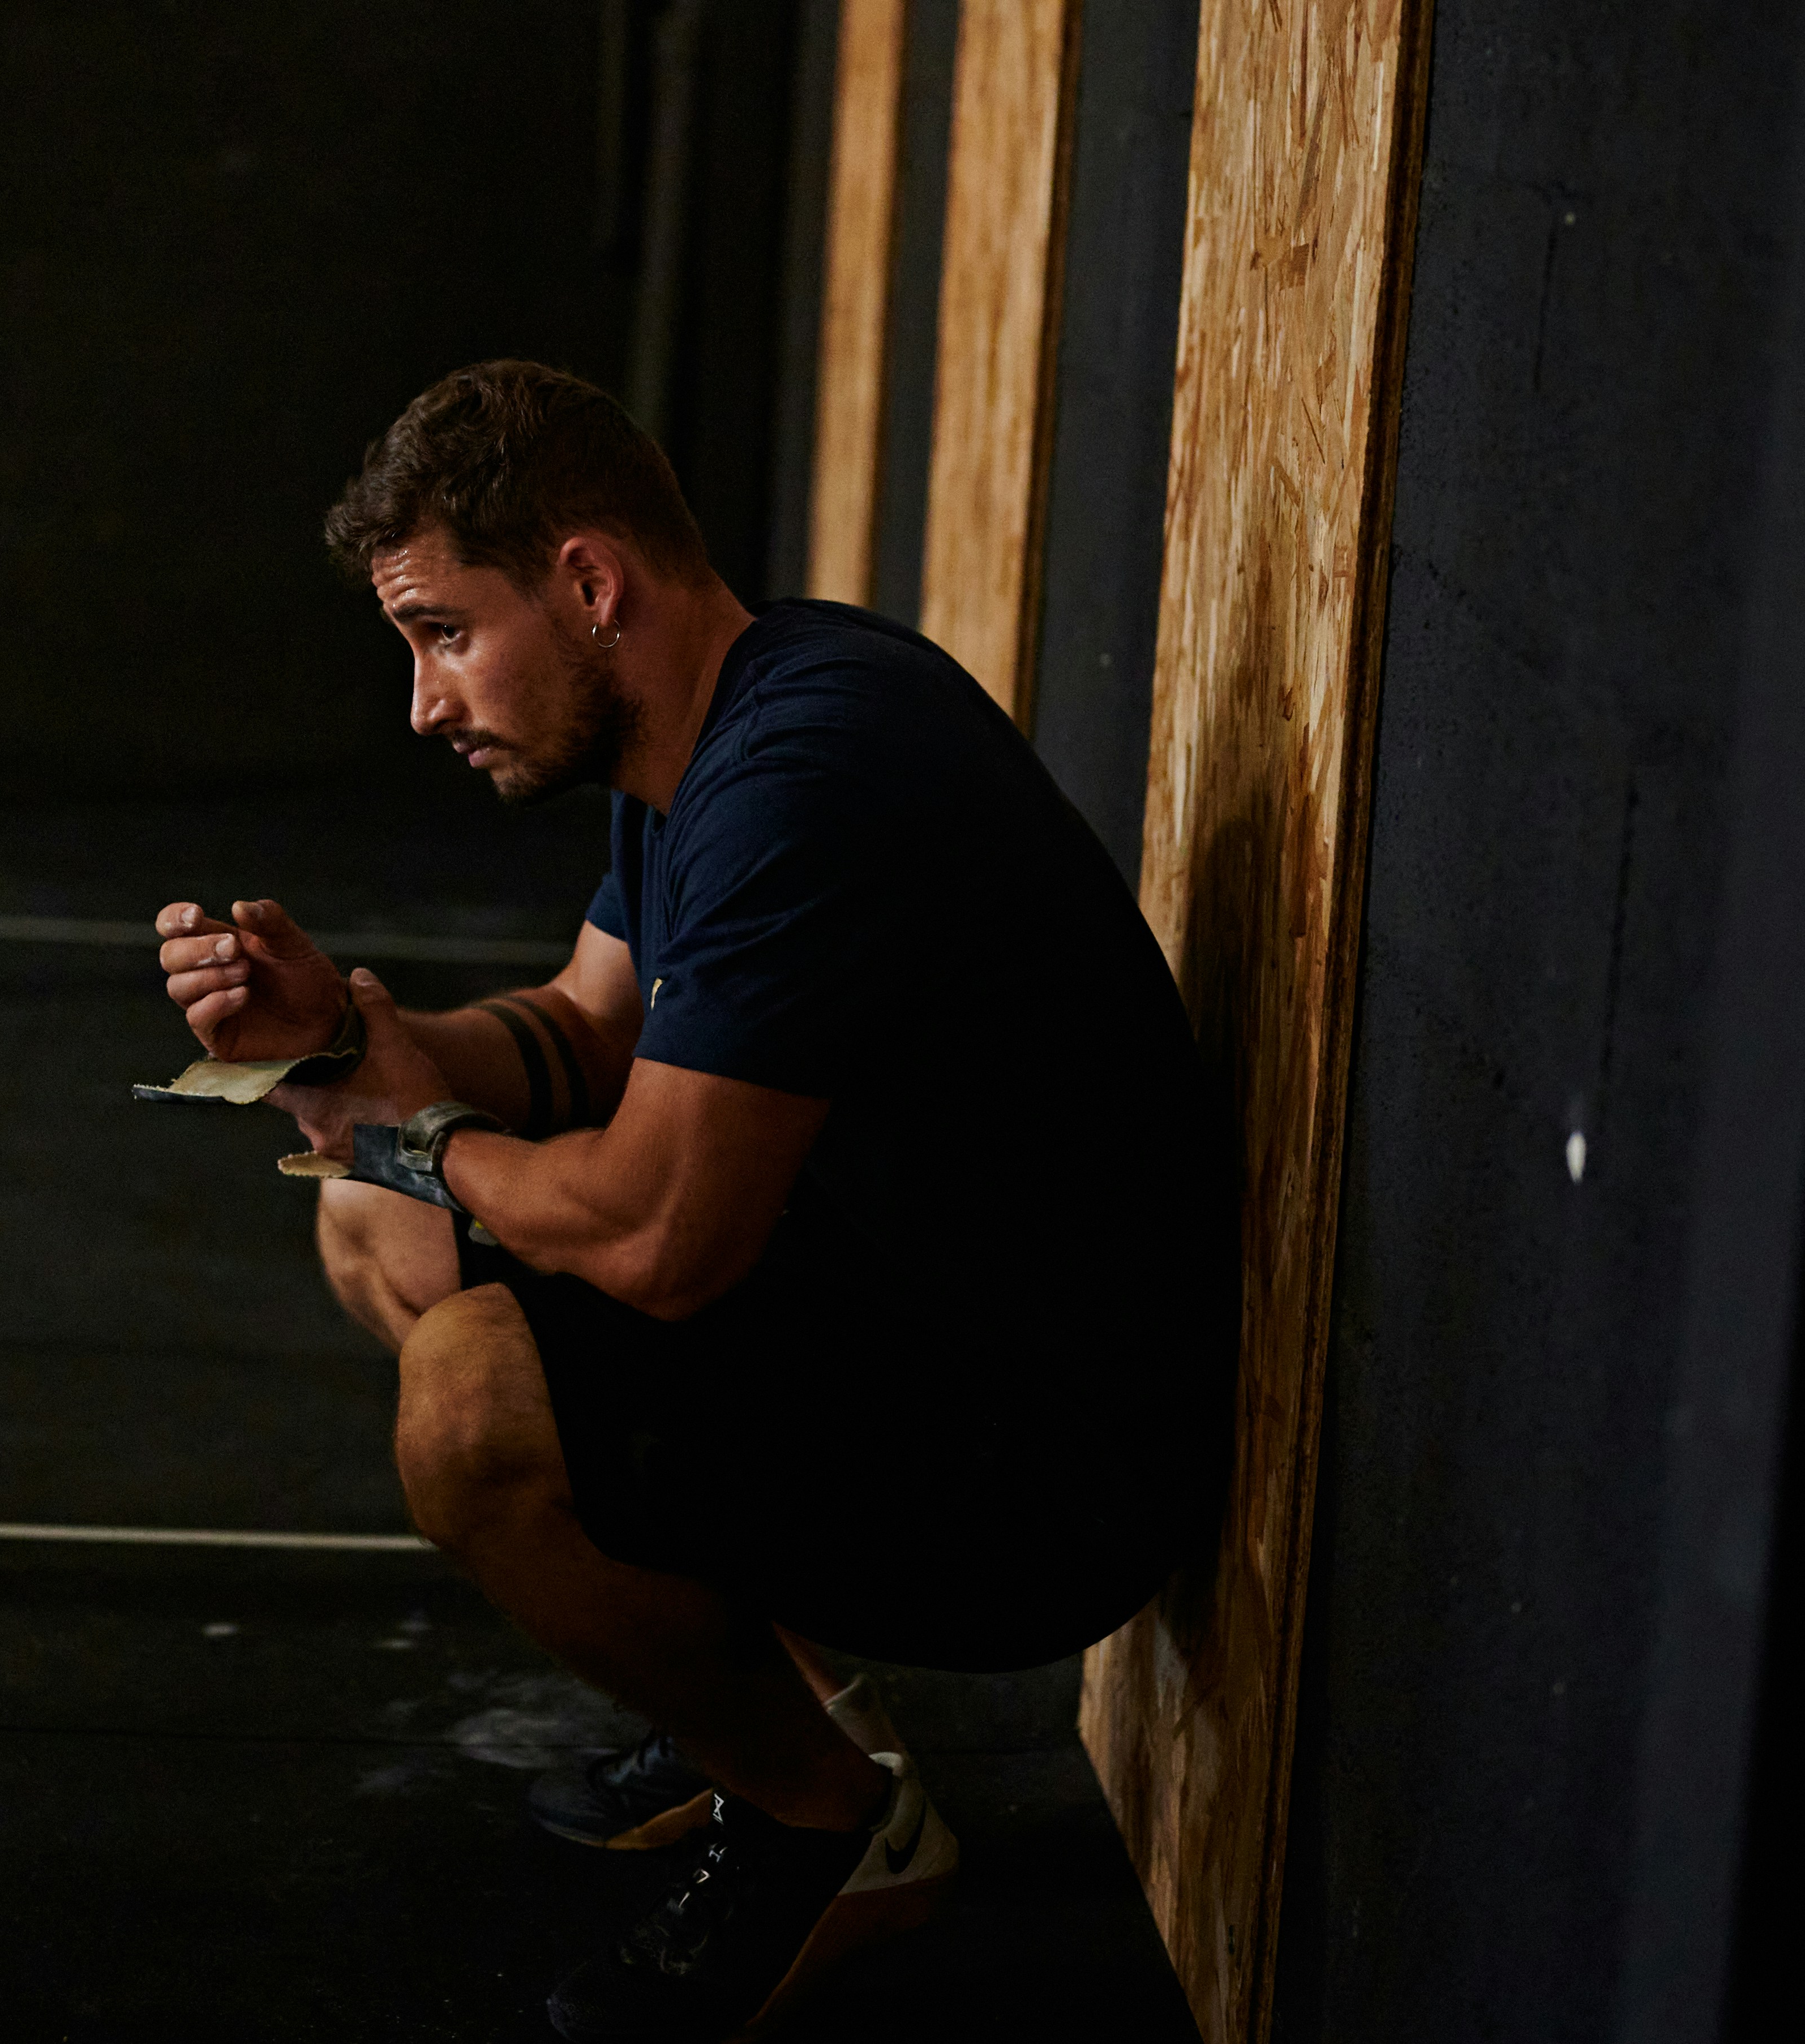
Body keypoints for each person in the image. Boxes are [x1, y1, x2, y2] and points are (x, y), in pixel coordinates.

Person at [152, 361, 1234, 2041]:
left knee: (470, 1408)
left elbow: (663, 1239)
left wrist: (405, 1131)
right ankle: (772, 1697)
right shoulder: (722, 720)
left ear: (588, 583)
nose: (425, 704)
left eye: (444, 633)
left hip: (1049, 1466)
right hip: (908, 1309)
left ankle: (822, 1820)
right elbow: (585, 1033)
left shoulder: (802, 777)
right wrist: (354, 1047)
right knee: (373, 1220)